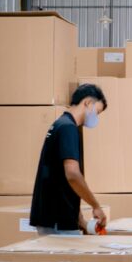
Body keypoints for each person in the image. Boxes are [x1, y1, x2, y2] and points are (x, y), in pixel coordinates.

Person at [30, 83, 108, 236]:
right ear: (88, 103)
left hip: (55, 218)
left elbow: (61, 179)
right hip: (57, 221)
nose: (96, 118)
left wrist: (80, 220)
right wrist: (96, 206)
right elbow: (72, 174)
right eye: (97, 112)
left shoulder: (60, 124)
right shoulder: (68, 128)